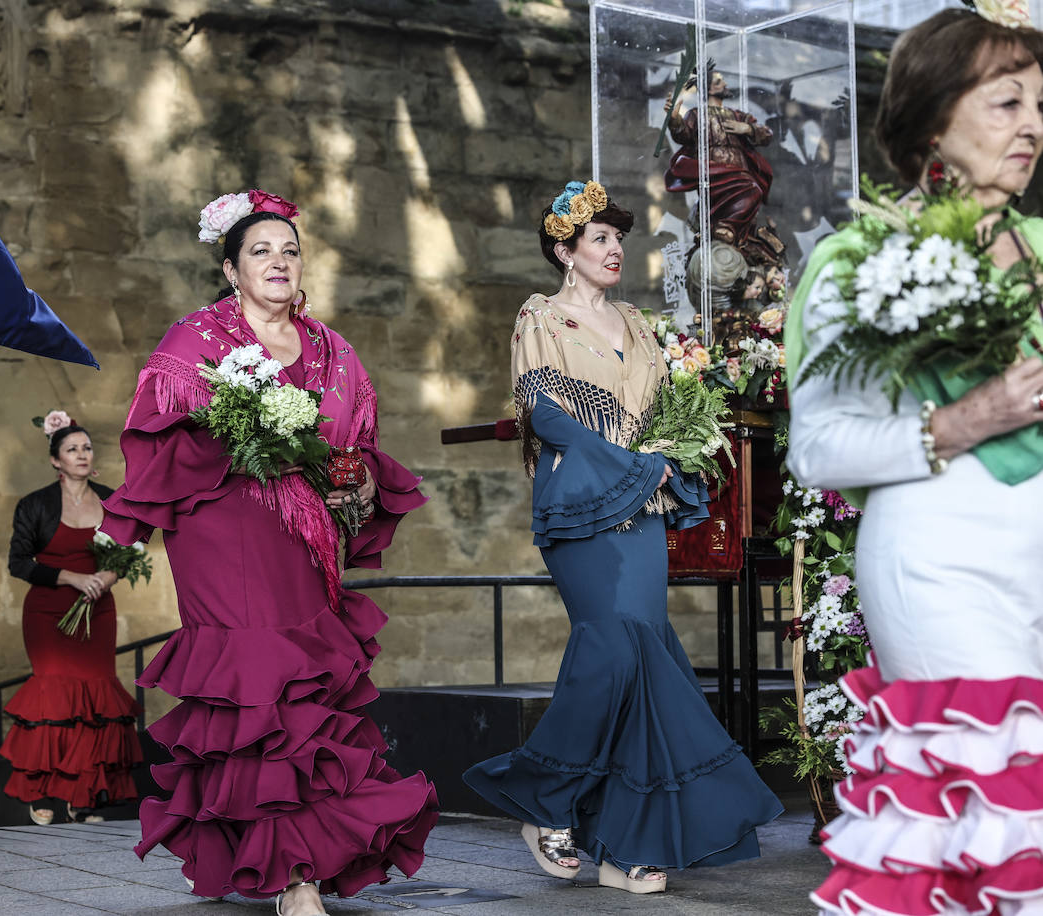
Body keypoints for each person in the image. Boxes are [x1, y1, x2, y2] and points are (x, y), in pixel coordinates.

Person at [102, 189, 437, 915]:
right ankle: (294, 878)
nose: (278, 262)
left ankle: (277, 853)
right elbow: (157, 437)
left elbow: (359, 448)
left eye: (289, 251)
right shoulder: (196, 341)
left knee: (304, 693)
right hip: (222, 530)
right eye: (261, 251)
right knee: (255, 681)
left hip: (305, 538)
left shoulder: (330, 348)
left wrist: (358, 486)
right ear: (231, 270)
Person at [784, 10, 1043, 914]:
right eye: (1008, 101)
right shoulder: (860, 257)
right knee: (987, 824)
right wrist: (969, 417)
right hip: (939, 566)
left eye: (1041, 104)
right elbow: (817, 446)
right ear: (933, 119)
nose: (1033, 126)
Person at [463, 181, 782, 895]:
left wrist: (674, 450)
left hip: (642, 509)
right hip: (579, 505)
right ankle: (544, 800)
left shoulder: (639, 323)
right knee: (612, 653)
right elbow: (544, 413)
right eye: (600, 238)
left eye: (618, 238)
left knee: (640, 662)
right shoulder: (539, 314)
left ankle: (620, 844)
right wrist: (631, 462)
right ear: (564, 251)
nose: (614, 249)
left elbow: (666, 409)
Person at [1, 417, 142, 826]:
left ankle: (83, 798)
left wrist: (108, 575)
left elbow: (130, 549)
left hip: (97, 611)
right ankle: (43, 790)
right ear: (55, 461)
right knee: (55, 696)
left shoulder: (111, 499)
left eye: (86, 448)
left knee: (94, 700)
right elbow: (18, 563)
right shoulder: (35, 504)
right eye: (72, 449)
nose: (82, 455)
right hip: (48, 612)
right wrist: (71, 577)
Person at [665, 67, 775, 251]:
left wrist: (747, 129)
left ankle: (731, 235)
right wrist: (674, 120)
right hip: (713, 171)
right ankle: (724, 228)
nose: (725, 84)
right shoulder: (697, 114)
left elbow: (767, 135)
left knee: (749, 203)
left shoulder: (739, 115)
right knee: (752, 190)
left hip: (740, 169)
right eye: (718, 82)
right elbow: (683, 135)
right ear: (708, 89)